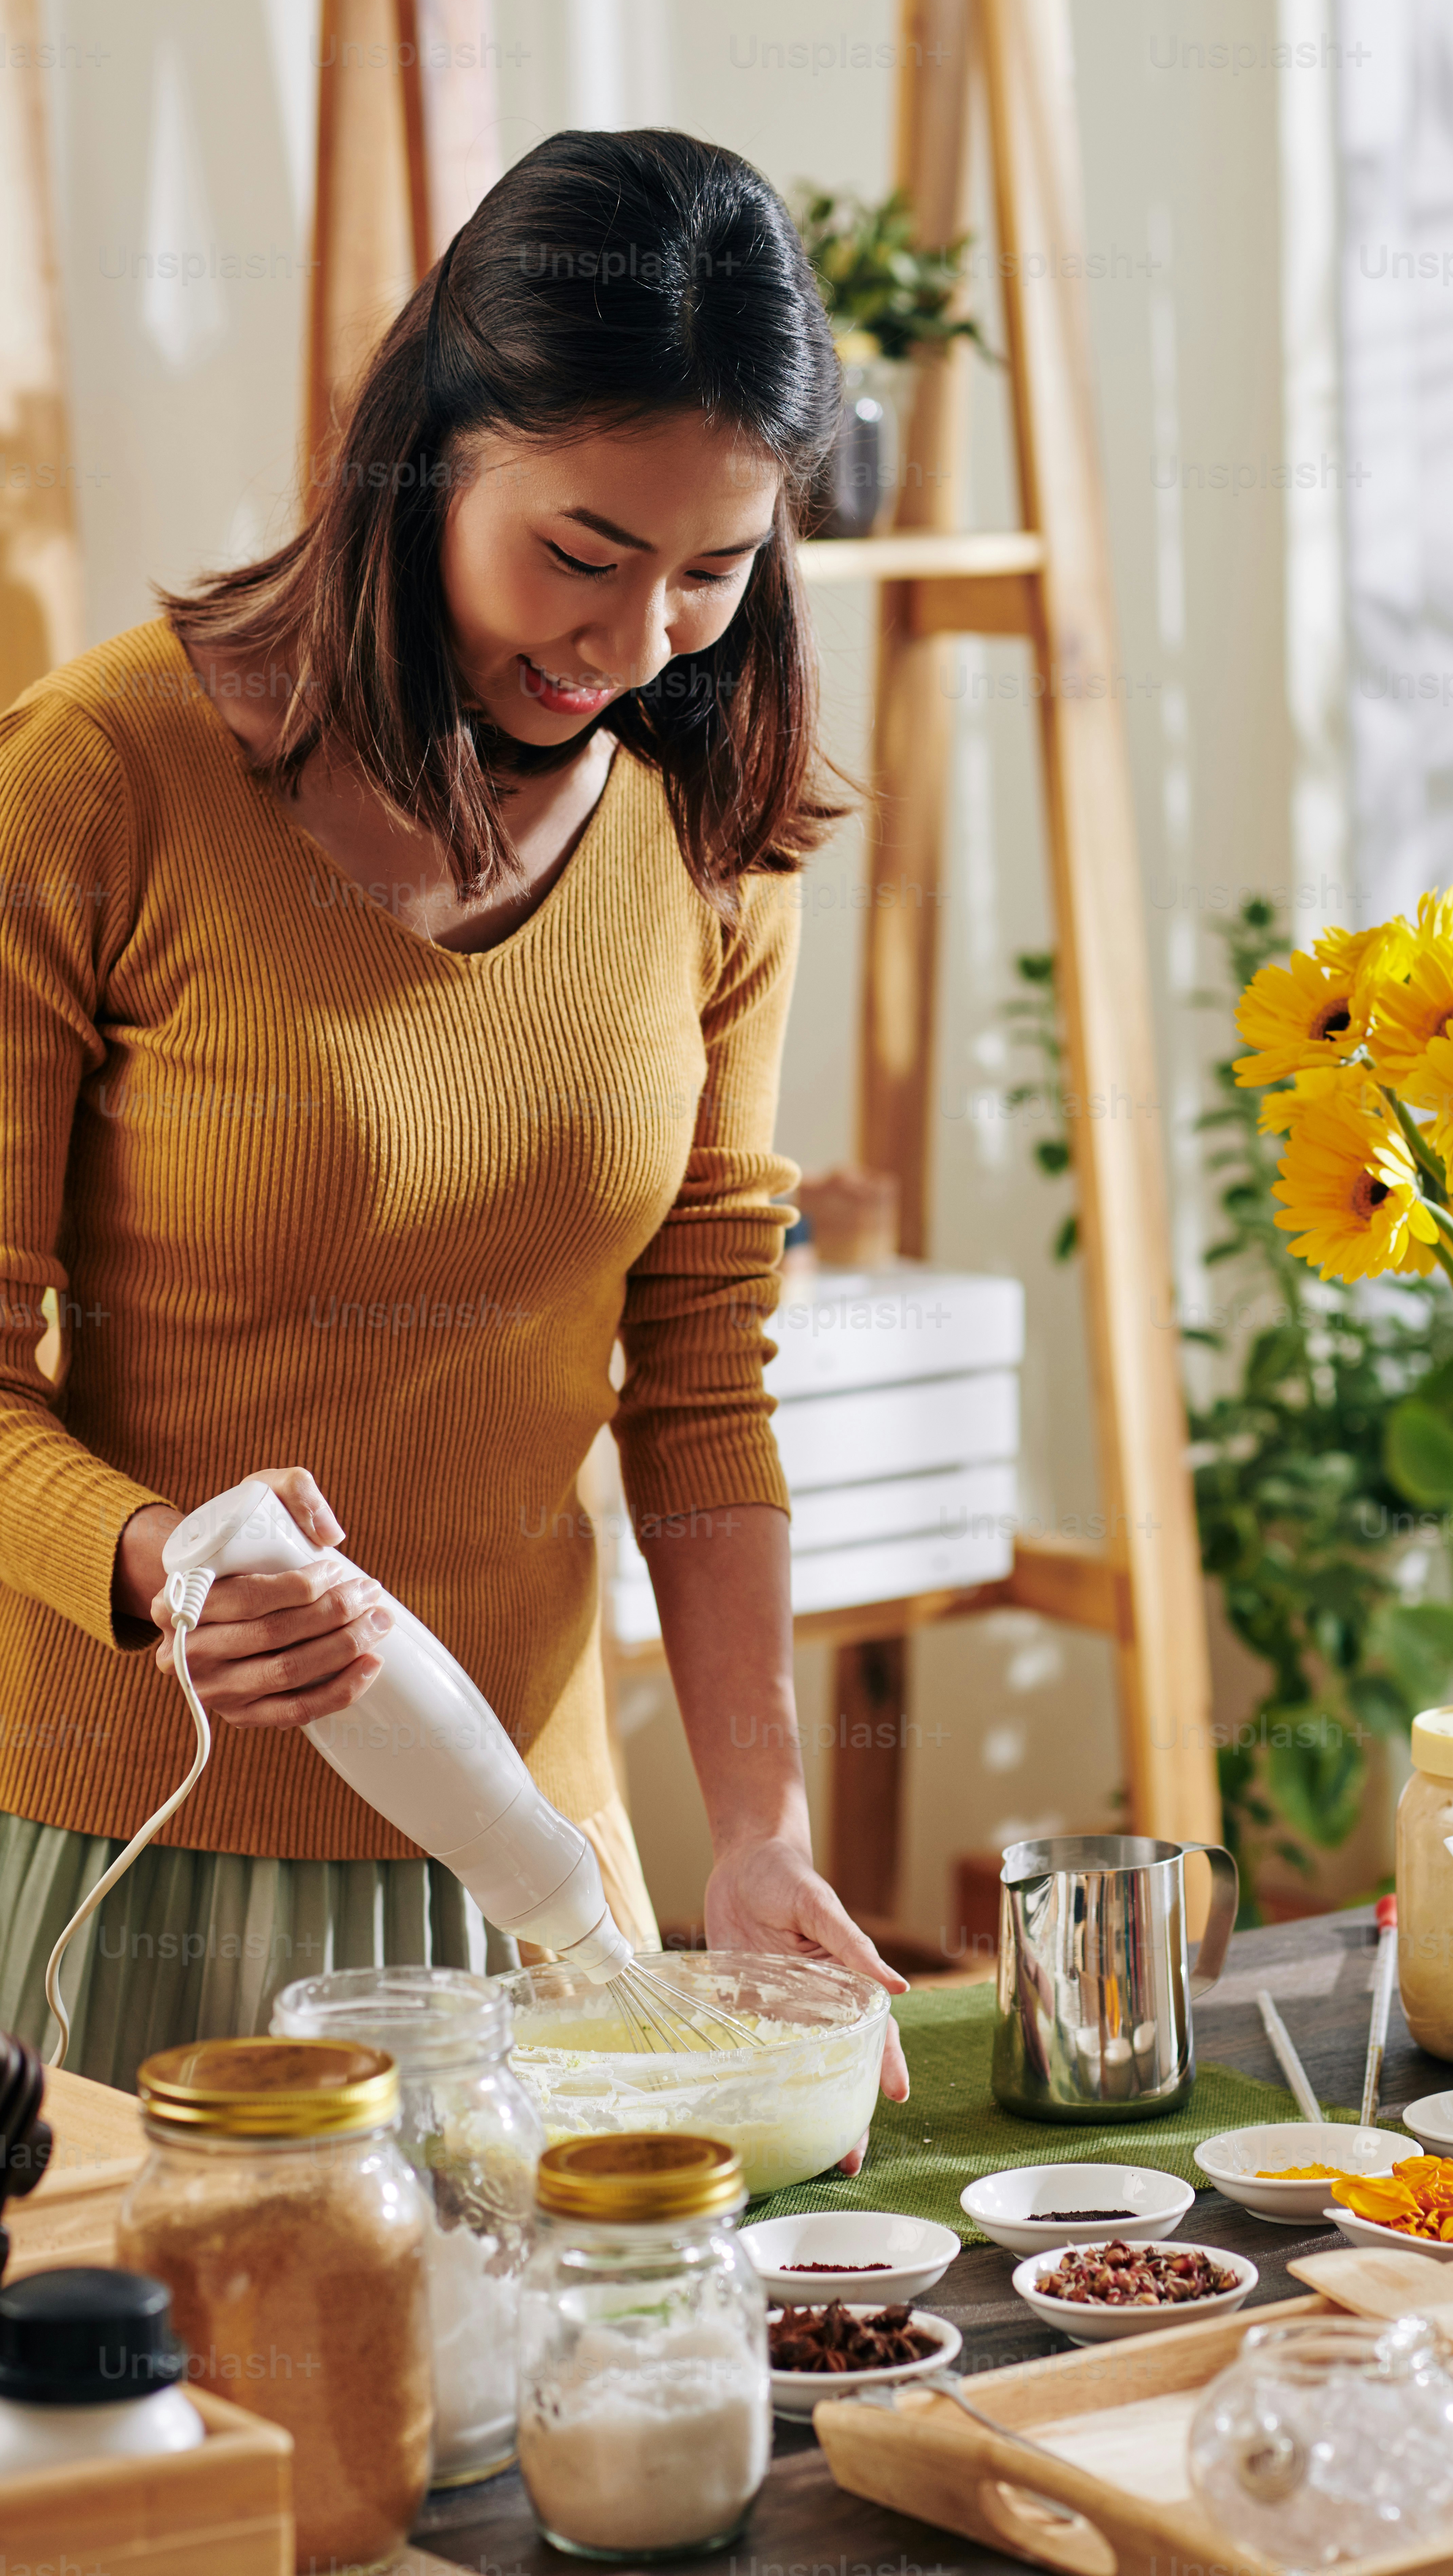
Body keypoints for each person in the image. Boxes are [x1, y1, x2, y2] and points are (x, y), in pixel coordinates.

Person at [0, 126, 909, 2135]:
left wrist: (753, 1825)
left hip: (536, 1880)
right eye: (580, 552)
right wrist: (149, 1562)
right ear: (424, 450)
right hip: (138, 1870)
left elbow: (702, 1376)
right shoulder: (96, 785)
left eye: (713, 572)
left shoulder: (707, 836)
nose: (632, 642)